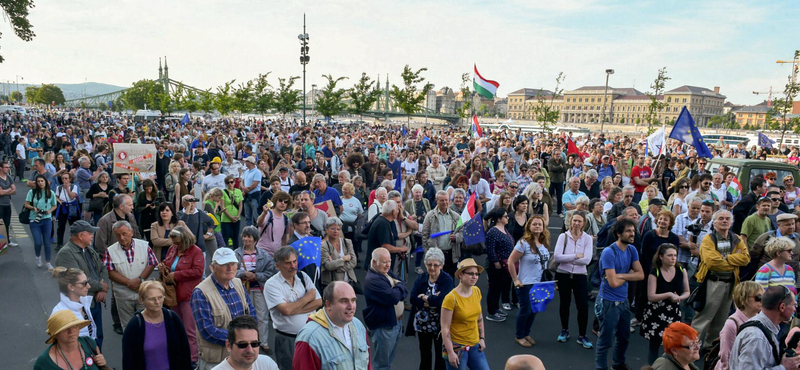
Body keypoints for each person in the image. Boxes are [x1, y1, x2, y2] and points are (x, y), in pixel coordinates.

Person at [690, 209, 750, 356]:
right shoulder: (708, 239)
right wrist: (733, 258)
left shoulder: (736, 238)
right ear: (715, 222)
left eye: (727, 218)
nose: (724, 221)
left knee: (721, 319)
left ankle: (710, 348)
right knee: (704, 317)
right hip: (712, 283)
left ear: (731, 222)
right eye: (721, 218)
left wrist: (725, 258)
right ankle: (689, 346)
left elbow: (746, 258)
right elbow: (712, 262)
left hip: (730, 284)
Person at [190, 248, 258, 370]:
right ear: (212, 267)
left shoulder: (238, 283)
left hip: (242, 357)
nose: (230, 268)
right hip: (216, 360)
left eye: (233, 264)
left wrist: (243, 341)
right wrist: (239, 338)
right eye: (224, 265)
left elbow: (251, 313)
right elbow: (207, 330)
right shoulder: (201, 292)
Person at [595, 218, 644, 370]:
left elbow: (641, 274)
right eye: (628, 231)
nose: (632, 234)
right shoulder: (609, 252)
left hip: (624, 301)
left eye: (633, 231)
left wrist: (621, 275)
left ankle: (618, 364)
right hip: (609, 303)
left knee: (624, 338)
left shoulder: (632, 250)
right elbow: (613, 283)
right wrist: (628, 274)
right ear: (618, 233)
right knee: (605, 341)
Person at [264, 246, 322, 370]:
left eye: (294, 261)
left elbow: (318, 302)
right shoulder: (271, 284)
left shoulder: (303, 277)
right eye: (288, 263)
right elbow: (286, 310)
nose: (293, 266)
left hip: (312, 337)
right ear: (278, 266)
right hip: (288, 340)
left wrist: (293, 309)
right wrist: (307, 298)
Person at [293, 281, 372, 370]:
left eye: (353, 300)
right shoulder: (309, 338)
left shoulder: (358, 325)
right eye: (344, 301)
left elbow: (368, 365)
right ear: (328, 304)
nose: (351, 306)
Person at [122, 281, 193, 370]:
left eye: (160, 297)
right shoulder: (135, 325)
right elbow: (128, 360)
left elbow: (185, 351)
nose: (157, 302)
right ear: (142, 300)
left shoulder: (172, 318)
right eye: (152, 299)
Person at [160, 224, 205, 365]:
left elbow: (198, 271)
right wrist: (163, 266)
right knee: (177, 327)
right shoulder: (173, 249)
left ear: (184, 240)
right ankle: (180, 354)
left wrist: (176, 275)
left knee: (189, 329)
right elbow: (168, 262)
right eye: (174, 243)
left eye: (177, 242)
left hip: (187, 295)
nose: (175, 245)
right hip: (173, 294)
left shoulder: (196, 251)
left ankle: (193, 358)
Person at [640, 244, 690, 364]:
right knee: (654, 346)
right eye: (670, 255)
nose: (673, 258)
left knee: (672, 346)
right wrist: (668, 294)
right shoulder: (655, 272)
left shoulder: (681, 270)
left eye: (675, 255)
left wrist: (679, 297)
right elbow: (651, 296)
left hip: (673, 312)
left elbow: (687, 291)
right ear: (661, 257)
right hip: (656, 313)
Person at [729, 286, 800, 369]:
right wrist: (784, 367)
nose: (795, 309)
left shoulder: (766, 328)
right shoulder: (756, 337)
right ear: (782, 307)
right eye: (794, 305)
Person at [103, 220, 158, 328]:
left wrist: (139, 280)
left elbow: (151, 263)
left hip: (143, 291)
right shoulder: (110, 251)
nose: (122, 238)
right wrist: (129, 283)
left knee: (147, 322)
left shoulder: (144, 245)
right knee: (127, 325)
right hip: (123, 294)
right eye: (118, 235)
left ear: (131, 232)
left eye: (124, 234)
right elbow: (109, 271)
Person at [406, 247, 454, 370]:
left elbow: (444, 301)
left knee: (440, 355)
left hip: (440, 325)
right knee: (425, 355)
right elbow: (412, 298)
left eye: (436, 265)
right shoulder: (422, 278)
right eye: (429, 264)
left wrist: (425, 298)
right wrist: (432, 300)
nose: (432, 268)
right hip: (423, 325)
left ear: (442, 265)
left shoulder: (447, 280)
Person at [507, 215, 550, 348]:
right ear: (529, 227)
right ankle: (519, 335)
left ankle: (526, 333)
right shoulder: (523, 243)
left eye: (540, 224)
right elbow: (510, 261)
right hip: (525, 283)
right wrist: (515, 279)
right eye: (534, 224)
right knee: (525, 310)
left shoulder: (544, 244)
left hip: (539, 283)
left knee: (534, 310)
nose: (537, 226)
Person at [553, 211, 594, 348]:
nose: (576, 223)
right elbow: (558, 257)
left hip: (580, 276)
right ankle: (564, 330)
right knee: (564, 303)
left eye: (579, 221)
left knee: (582, 306)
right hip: (563, 274)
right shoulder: (563, 236)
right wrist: (576, 256)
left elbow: (587, 260)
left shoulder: (587, 238)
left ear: (583, 223)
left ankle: (582, 335)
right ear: (570, 221)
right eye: (574, 220)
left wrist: (568, 258)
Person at [441, 258, 490, 370]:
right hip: (457, 348)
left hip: (474, 345)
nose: (474, 277)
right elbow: (445, 328)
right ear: (461, 275)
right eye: (471, 274)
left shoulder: (476, 291)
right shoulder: (451, 298)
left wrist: (482, 338)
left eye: (477, 274)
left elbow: (479, 316)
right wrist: (450, 352)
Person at [363, 247, 408, 370]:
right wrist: (399, 287)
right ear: (374, 262)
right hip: (385, 327)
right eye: (384, 262)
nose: (388, 265)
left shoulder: (385, 273)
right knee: (381, 365)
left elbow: (403, 285)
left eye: (389, 261)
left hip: (395, 323)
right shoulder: (373, 280)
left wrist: (399, 287)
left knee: (388, 362)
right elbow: (393, 297)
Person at [235, 225, 277, 355]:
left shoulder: (263, 255)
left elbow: (270, 272)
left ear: (255, 239)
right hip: (242, 289)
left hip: (259, 288)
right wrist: (243, 274)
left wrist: (256, 276)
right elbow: (231, 271)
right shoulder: (236, 253)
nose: (246, 239)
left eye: (249, 236)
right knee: (243, 316)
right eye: (244, 236)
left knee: (262, 316)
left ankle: (263, 342)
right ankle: (245, 341)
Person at [34, 310, 108, 370]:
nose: (71, 331)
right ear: (55, 335)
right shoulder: (43, 363)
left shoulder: (89, 342)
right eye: (65, 328)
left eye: (75, 326)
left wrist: (102, 363)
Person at [714, 281, 762, 370]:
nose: (761, 300)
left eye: (763, 297)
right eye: (758, 297)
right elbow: (726, 357)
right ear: (743, 300)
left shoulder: (760, 320)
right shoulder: (732, 324)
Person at [422, 191, 465, 278]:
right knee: (436, 279)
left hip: (451, 254)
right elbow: (425, 235)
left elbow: (462, 232)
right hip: (436, 254)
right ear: (436, 201)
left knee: (450, 279)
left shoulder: (456, 216)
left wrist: (457, 237)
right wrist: (427, 252)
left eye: (446, 200)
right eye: (442, 200)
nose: (444, 202)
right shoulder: (430, 216)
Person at [50, 267, 98, 344]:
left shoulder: (83, 303)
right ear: (71, 287)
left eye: (88, 282)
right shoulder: (59, 313)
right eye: (84, 283)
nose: (89, 286)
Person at [212, 316, 279, 370]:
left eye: (254, 344)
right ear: (229, 345)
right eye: (243, 345)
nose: (250, 350)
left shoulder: (267, 364)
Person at [484, 207, 515, 323]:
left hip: (504, 264)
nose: (507, 218)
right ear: (498, 219)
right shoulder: (493, 231)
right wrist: (496, 263)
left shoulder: (504, 229)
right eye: (505, 217)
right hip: (496, 265)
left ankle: (496, 308)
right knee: (493, 288)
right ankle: (491, 312)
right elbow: (490, 249)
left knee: (498, 288)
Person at [25, 174, 58, 270]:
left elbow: (54, 205)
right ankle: (38, 257)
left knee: (47, 242)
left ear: (45, 182)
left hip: (46, 219)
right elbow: (26, 204)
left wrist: (49, 211)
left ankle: (48, 261)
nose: (40, 183)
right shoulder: (32, 192)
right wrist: (33, 208)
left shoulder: (50, 192)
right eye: (38, 181)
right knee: (38, 242)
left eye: (42, 181)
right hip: (34, 220)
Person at [178, 194, 217, 273]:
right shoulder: (179, 214)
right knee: (186, 271)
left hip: (200, 247)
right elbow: (182, 223)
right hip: (185, 247)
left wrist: (208, 234)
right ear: (183, 204)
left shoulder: (199, 213)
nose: (191, 203)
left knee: (201, 272)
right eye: (188, 201)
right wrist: (187, 209)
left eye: (193, 201)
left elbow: (212, 222)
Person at [364, 199, 405, 271]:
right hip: (378, 267)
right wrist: (401, 249)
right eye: (397, 210)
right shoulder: (383, 224)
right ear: (393, 212)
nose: (398, 211)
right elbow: (386, 246)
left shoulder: (383, 220)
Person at [320, 217, 358, 289]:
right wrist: (343, 259)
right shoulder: (323, 246)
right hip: (333, 285)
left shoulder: (347, 242)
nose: (336, 231)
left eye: (338, 229)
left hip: (349, 282)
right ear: (326, 230)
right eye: (333, 228)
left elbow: (353, 262)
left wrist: (336, 268)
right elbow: (328, 266)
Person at [256, 190, 292, 257]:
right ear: (275, 201)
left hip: (276, 255)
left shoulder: (286, 219)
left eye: (285, 202)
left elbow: (284, 238)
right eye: (280, 200)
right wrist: (264, 213)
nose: (283, 203)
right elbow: (259, 223)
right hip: (262, 252)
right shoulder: (268, 214)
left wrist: (282, 253)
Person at [54, 173, 81, 248]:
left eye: (66, 178)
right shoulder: (59, 187)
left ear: (70, 179)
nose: (64, 180)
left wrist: (67, 189)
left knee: (73, 225)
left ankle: (74, 242)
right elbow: (56, 196)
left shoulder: (73, 186)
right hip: (63, 206)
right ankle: (59, 243)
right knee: (61, 226)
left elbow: (72, 197)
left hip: (72, 206)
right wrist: (59, 201)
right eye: (63, 178)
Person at [221, 174, 244, 250]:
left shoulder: (238, 191)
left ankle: (236, 253)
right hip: (226, 219)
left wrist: (238, 215)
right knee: (226, 237)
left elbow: (240, 204)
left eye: (231, 182)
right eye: (228, 182)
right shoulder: (223, 192)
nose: (230, 184)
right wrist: (230, 217)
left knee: (235, 237)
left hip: (237, 217)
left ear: (234, 182)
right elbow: (222, 206)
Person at [242, 156, 263, 227]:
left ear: (250, 162)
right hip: (247, 196)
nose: (245, 162)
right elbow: (242, 181)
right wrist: (243, 188)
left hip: (254, 196)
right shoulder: (246, 172)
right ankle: (248, 231)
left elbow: (255, 184)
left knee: (256, 215)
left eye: (246, 161)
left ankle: (258, 231)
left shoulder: (257, 172)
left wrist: (245, 190)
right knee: (248, 216)